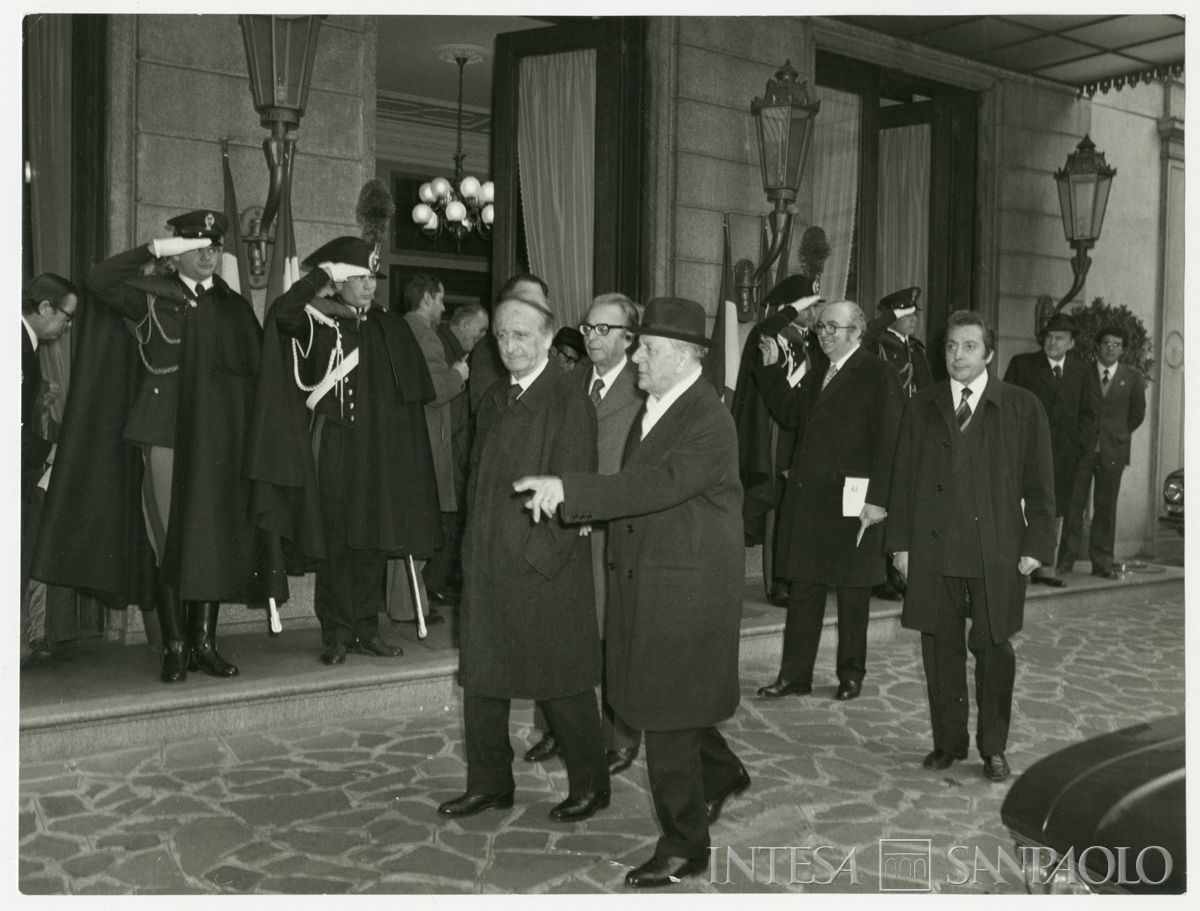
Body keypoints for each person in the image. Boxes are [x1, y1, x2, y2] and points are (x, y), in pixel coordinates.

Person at [514, 297, 748, 888]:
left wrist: (572, 491)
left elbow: (658, 484)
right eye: (639, 344)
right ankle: (722, 772)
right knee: (669, 699)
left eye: (649, 349)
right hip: (653, 581)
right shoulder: (661, 404)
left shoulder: (708, 418)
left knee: (666, 717)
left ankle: (684, 844)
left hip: (684, 594)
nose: (637, 356)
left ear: (688, 356)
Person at [33, 211, 268, 683]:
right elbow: (99, 280)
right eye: (197, 246)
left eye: (214, 247)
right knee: (170, 542)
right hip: (162, 433)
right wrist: (155, 250)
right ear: (178, 251)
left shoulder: (231, 306)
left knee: (212, 540)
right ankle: (175, 646)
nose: (208, 255)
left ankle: (205, 643)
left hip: (217, 440)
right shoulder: (149, 296)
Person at [438, 294, 610, 823]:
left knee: (564, 686)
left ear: (547, 338)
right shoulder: (493, 399)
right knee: (483, 682)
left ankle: (591, 785)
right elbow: (477, 486)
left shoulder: (567, 400)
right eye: (503, 336)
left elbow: (575, 489)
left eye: (523, 336)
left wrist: (539, 559)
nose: (511, 346)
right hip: (489, 566)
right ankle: (490, 783)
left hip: (543, 571)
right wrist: (472, 554)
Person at [245, 236, 442, 665]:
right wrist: (319, 278)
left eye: (372, 277)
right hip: (333, 443)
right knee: (334, 539)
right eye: (357, 277)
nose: (369, 285)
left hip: (378, 450)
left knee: (370, 539)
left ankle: (366, 630)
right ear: (337, 281)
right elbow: (282, 314)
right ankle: (335, 634)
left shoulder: (388, 326)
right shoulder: (316, 320)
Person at [887, 310, 1056, 782]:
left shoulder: (1022, 408)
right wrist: (900, 544)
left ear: (989, 352)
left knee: (994, 650)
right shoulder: (922, 404)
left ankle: (993, 747)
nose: (957, 356)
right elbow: (901, 480)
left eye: (968, 347)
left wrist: (1037, 543)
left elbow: (1042, 484)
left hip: (996, 550)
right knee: (940, 649)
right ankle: (948, 741)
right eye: (950, 347)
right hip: (935, 549)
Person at [754, 300, 903, 702]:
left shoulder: (878, 374)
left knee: (854, 591)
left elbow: (890, 442)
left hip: (855, 502)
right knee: (805, 588)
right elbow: (788, 413)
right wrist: (770, 369)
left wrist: (877, 500)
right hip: (811, 500)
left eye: (833, 328)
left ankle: (851, 674)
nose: (823, 333)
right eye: (821, 327)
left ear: (857, 331)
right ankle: (794, 675)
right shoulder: (818, 371)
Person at [731, 272, 827, 607]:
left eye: (816, 307)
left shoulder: (814, 342)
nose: (815, 314)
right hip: (775, 432)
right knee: (779, 505)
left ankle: (801, 573)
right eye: (808, 307)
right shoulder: (768, 336)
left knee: (805, 506)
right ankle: (778, 581)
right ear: (790, 308)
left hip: (809, 429)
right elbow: (764, 331)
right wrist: (787, 311)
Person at [579, 292, 645, 776]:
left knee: (618, 639)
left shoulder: (644, 393)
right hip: (570, 528)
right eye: (588, 328)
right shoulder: (569, 382)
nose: (593, 338)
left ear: (629, 337)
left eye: (605, 329)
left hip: (614, 533)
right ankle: (566, 730)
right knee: (568, 632)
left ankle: (622, 735)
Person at [1002, 313, 1096, 587]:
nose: (1053, 343)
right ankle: (1015, 564)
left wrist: (1077, 445)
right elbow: (1008, 405)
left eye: (1060, 338)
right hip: (1026, 452)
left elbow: (1090, 414)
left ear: (1071, 343)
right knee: (1020, 504)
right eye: (1050, 337)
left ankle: (1044, 566)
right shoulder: (1023, 365)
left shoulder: (1083, 372)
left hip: (1064, 457)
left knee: (1053, 509)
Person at [400, 273, 467, 619]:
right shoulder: (426, 336)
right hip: (427, 445)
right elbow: (436, 391)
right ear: (426, 298)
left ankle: (411, 604)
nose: (443, 307)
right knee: (425, 528)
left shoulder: (402, 330)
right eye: (440, 299)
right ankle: (412, 605)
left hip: (413, 445)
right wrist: (458, 374)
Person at [1058, 325, 1146, 579]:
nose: (1110, 348)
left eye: (1116, 345)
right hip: (1082, 450)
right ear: (1097, 346)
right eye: (1106, 343)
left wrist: (1117, 435)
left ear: (1123, 350)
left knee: (1106, 508)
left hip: (1113, 451)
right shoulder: (1081, 373)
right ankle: (1066, 560)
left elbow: (1137, 414)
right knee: (1074, 506)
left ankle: (1102, 563)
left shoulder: (1132, 377)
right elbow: (1072, 407)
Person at [21, 274, 77, 662]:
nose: (67, 325)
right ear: (44, 309)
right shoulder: (18, 346)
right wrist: (49, 449)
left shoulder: (27, 344)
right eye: (65, 316)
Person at [437, 302, 490, 595]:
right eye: (480, 329)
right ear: (466, 324)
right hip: (451, 440)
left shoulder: (458, 350)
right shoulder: (444, 348)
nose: (482, 337)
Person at [863, 286, 933, 398]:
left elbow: (926, 387)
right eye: (907, 315)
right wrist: (889, 317)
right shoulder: (877, 344)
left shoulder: (916, 347)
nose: (913, 319)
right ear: (892, 316)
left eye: (914, 314)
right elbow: (860, 336)